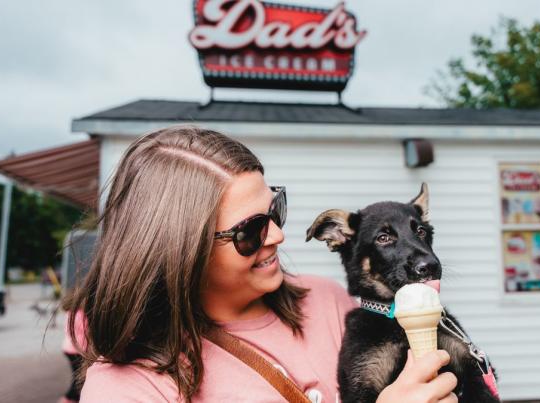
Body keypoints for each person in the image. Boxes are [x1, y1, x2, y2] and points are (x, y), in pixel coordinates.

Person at [67, 125, 457, 402]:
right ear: (181, 251)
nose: (276, 235)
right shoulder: (128, 386)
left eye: (275, 209)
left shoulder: (328, 301)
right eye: (249, 231)